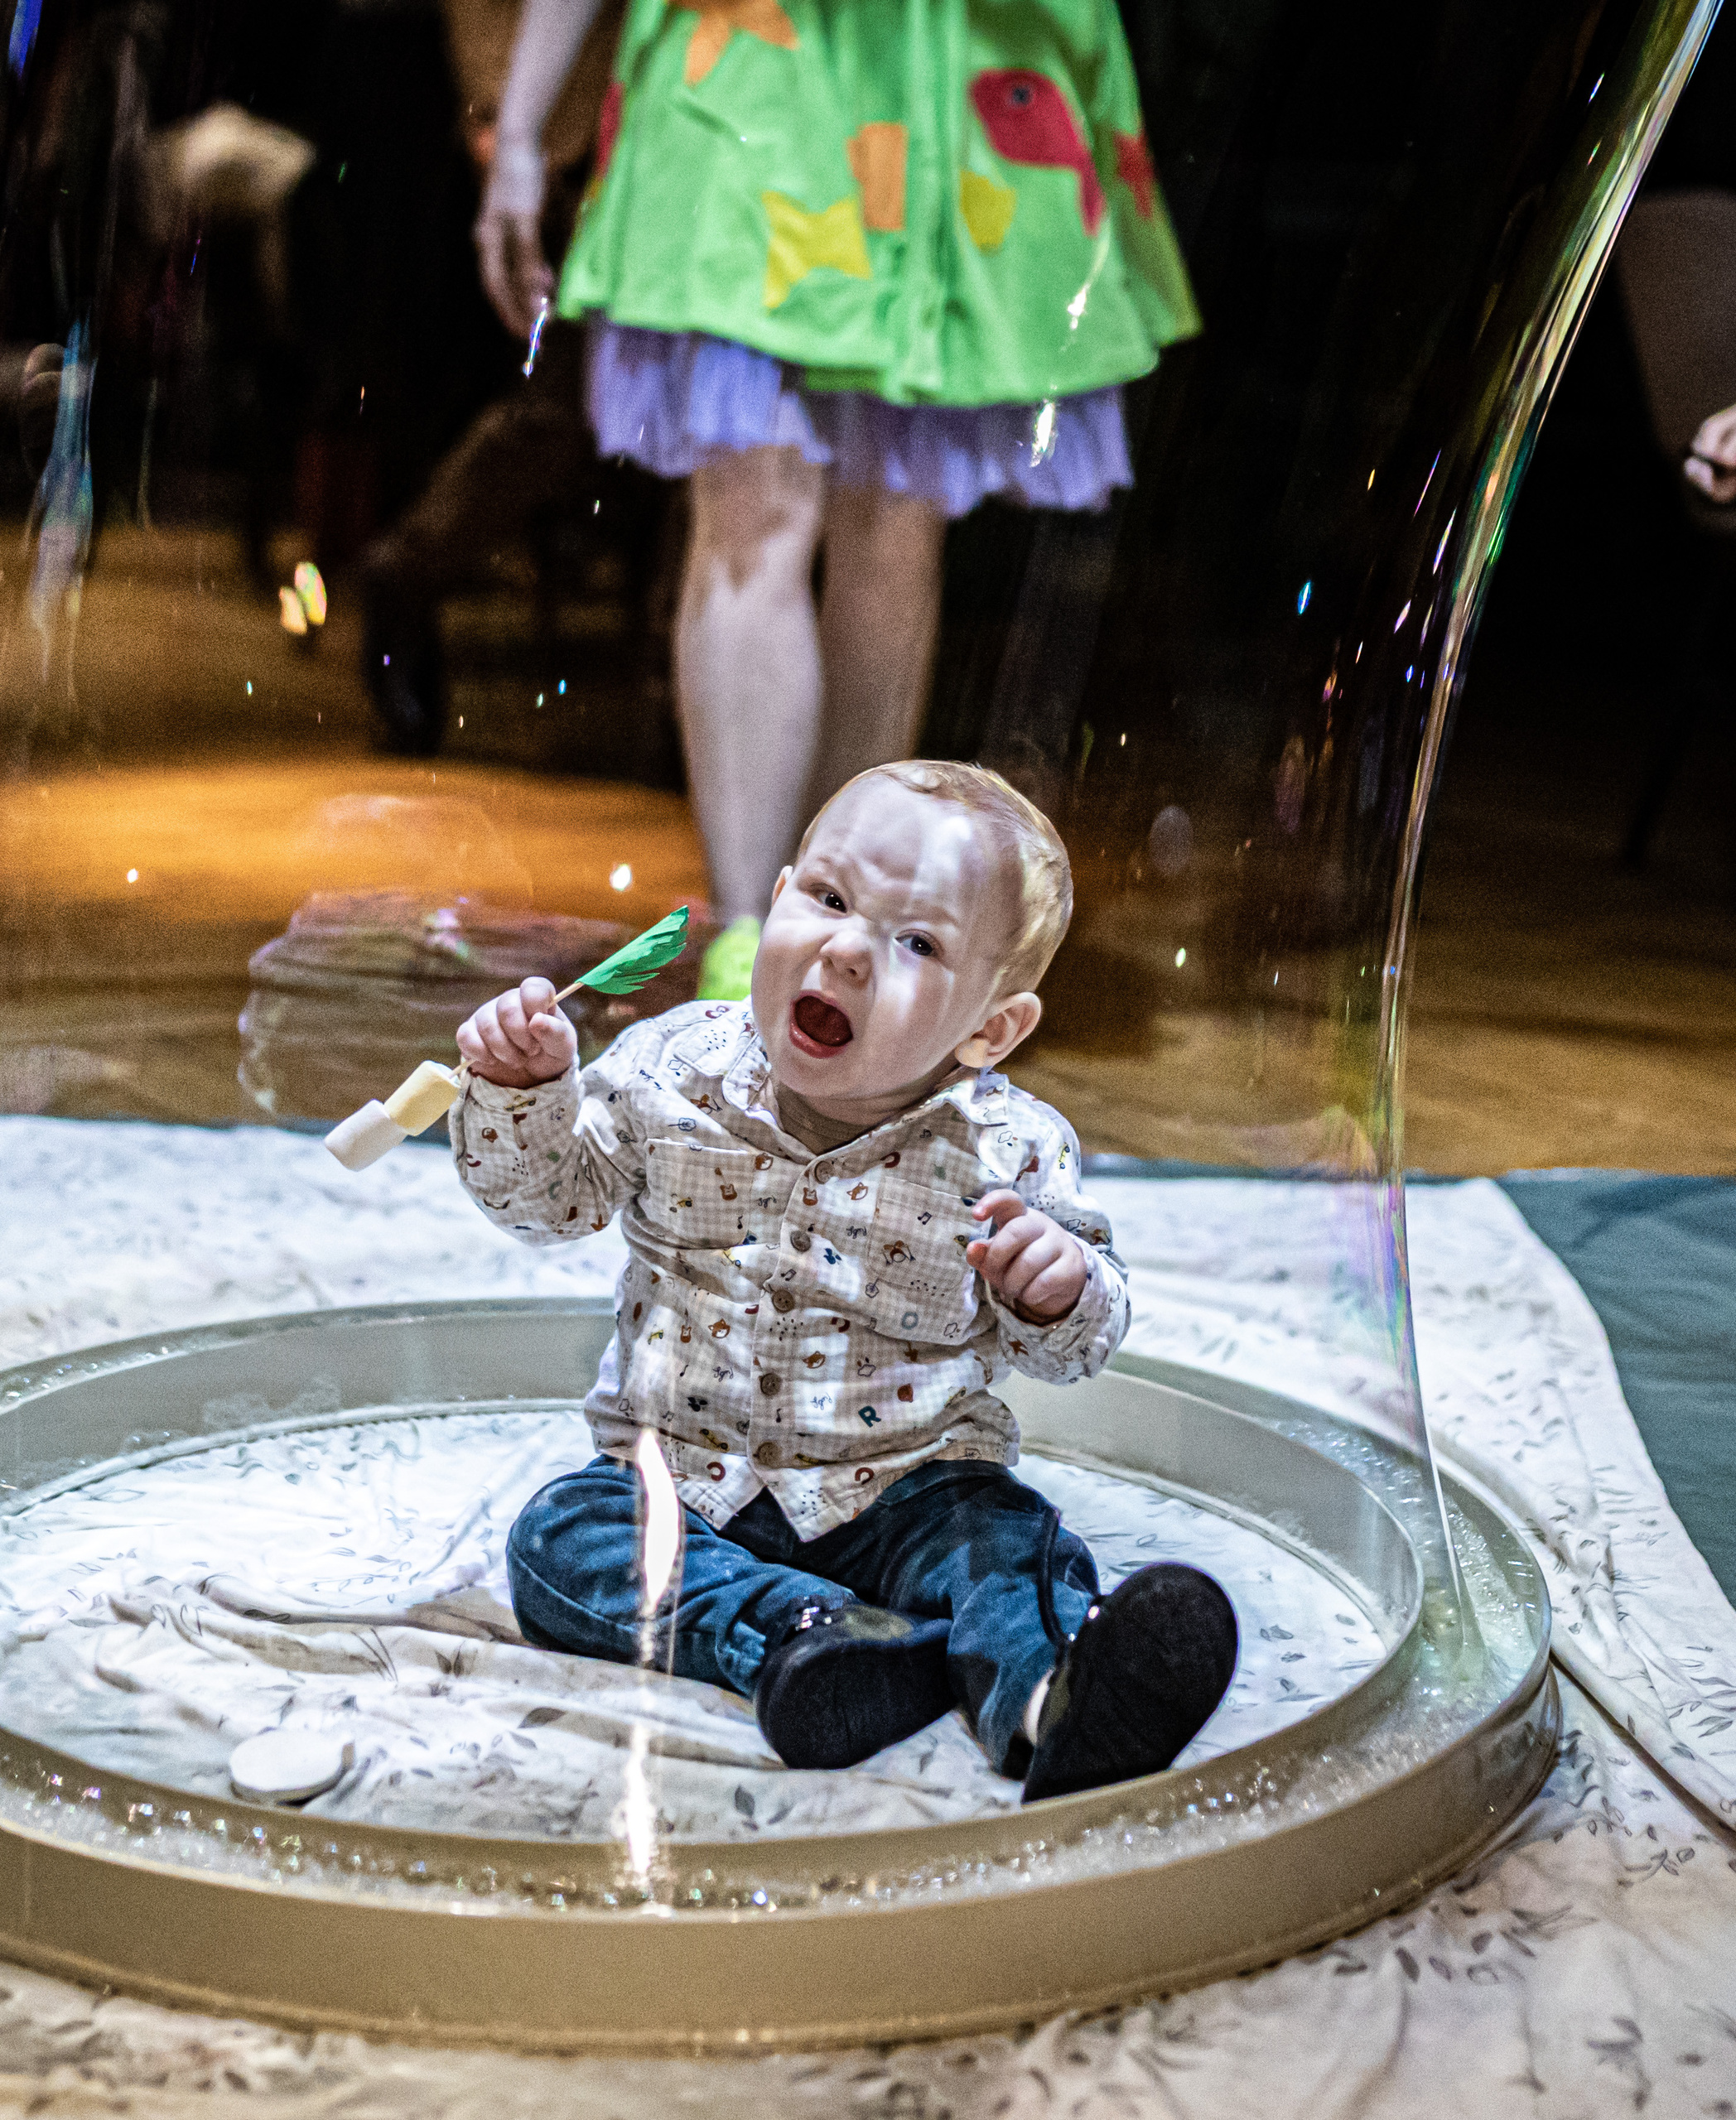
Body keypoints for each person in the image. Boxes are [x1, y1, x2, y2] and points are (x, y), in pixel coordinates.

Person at [450, 760, 1237, 1798]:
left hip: (909, 1482)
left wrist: (1056, 1284)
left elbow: (1078, 1341)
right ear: (776, 902)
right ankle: (809, 1641)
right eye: (828, 898)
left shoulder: (1010, 1148)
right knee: (560, 1541)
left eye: (917, 943)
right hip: (683, 1480)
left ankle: (1056, 1705)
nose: (848, 950)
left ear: (989, 1031)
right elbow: (547, 1203)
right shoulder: (666, 1068)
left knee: (1009, 1550)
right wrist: (520, 1095)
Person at [476, 0, 1198, 998]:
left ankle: (847, 934)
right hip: (751, 60)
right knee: (753, 514)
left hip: (947, 62)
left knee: (897, 521)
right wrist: (517, 128)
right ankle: (747, 938)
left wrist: (521, 131)